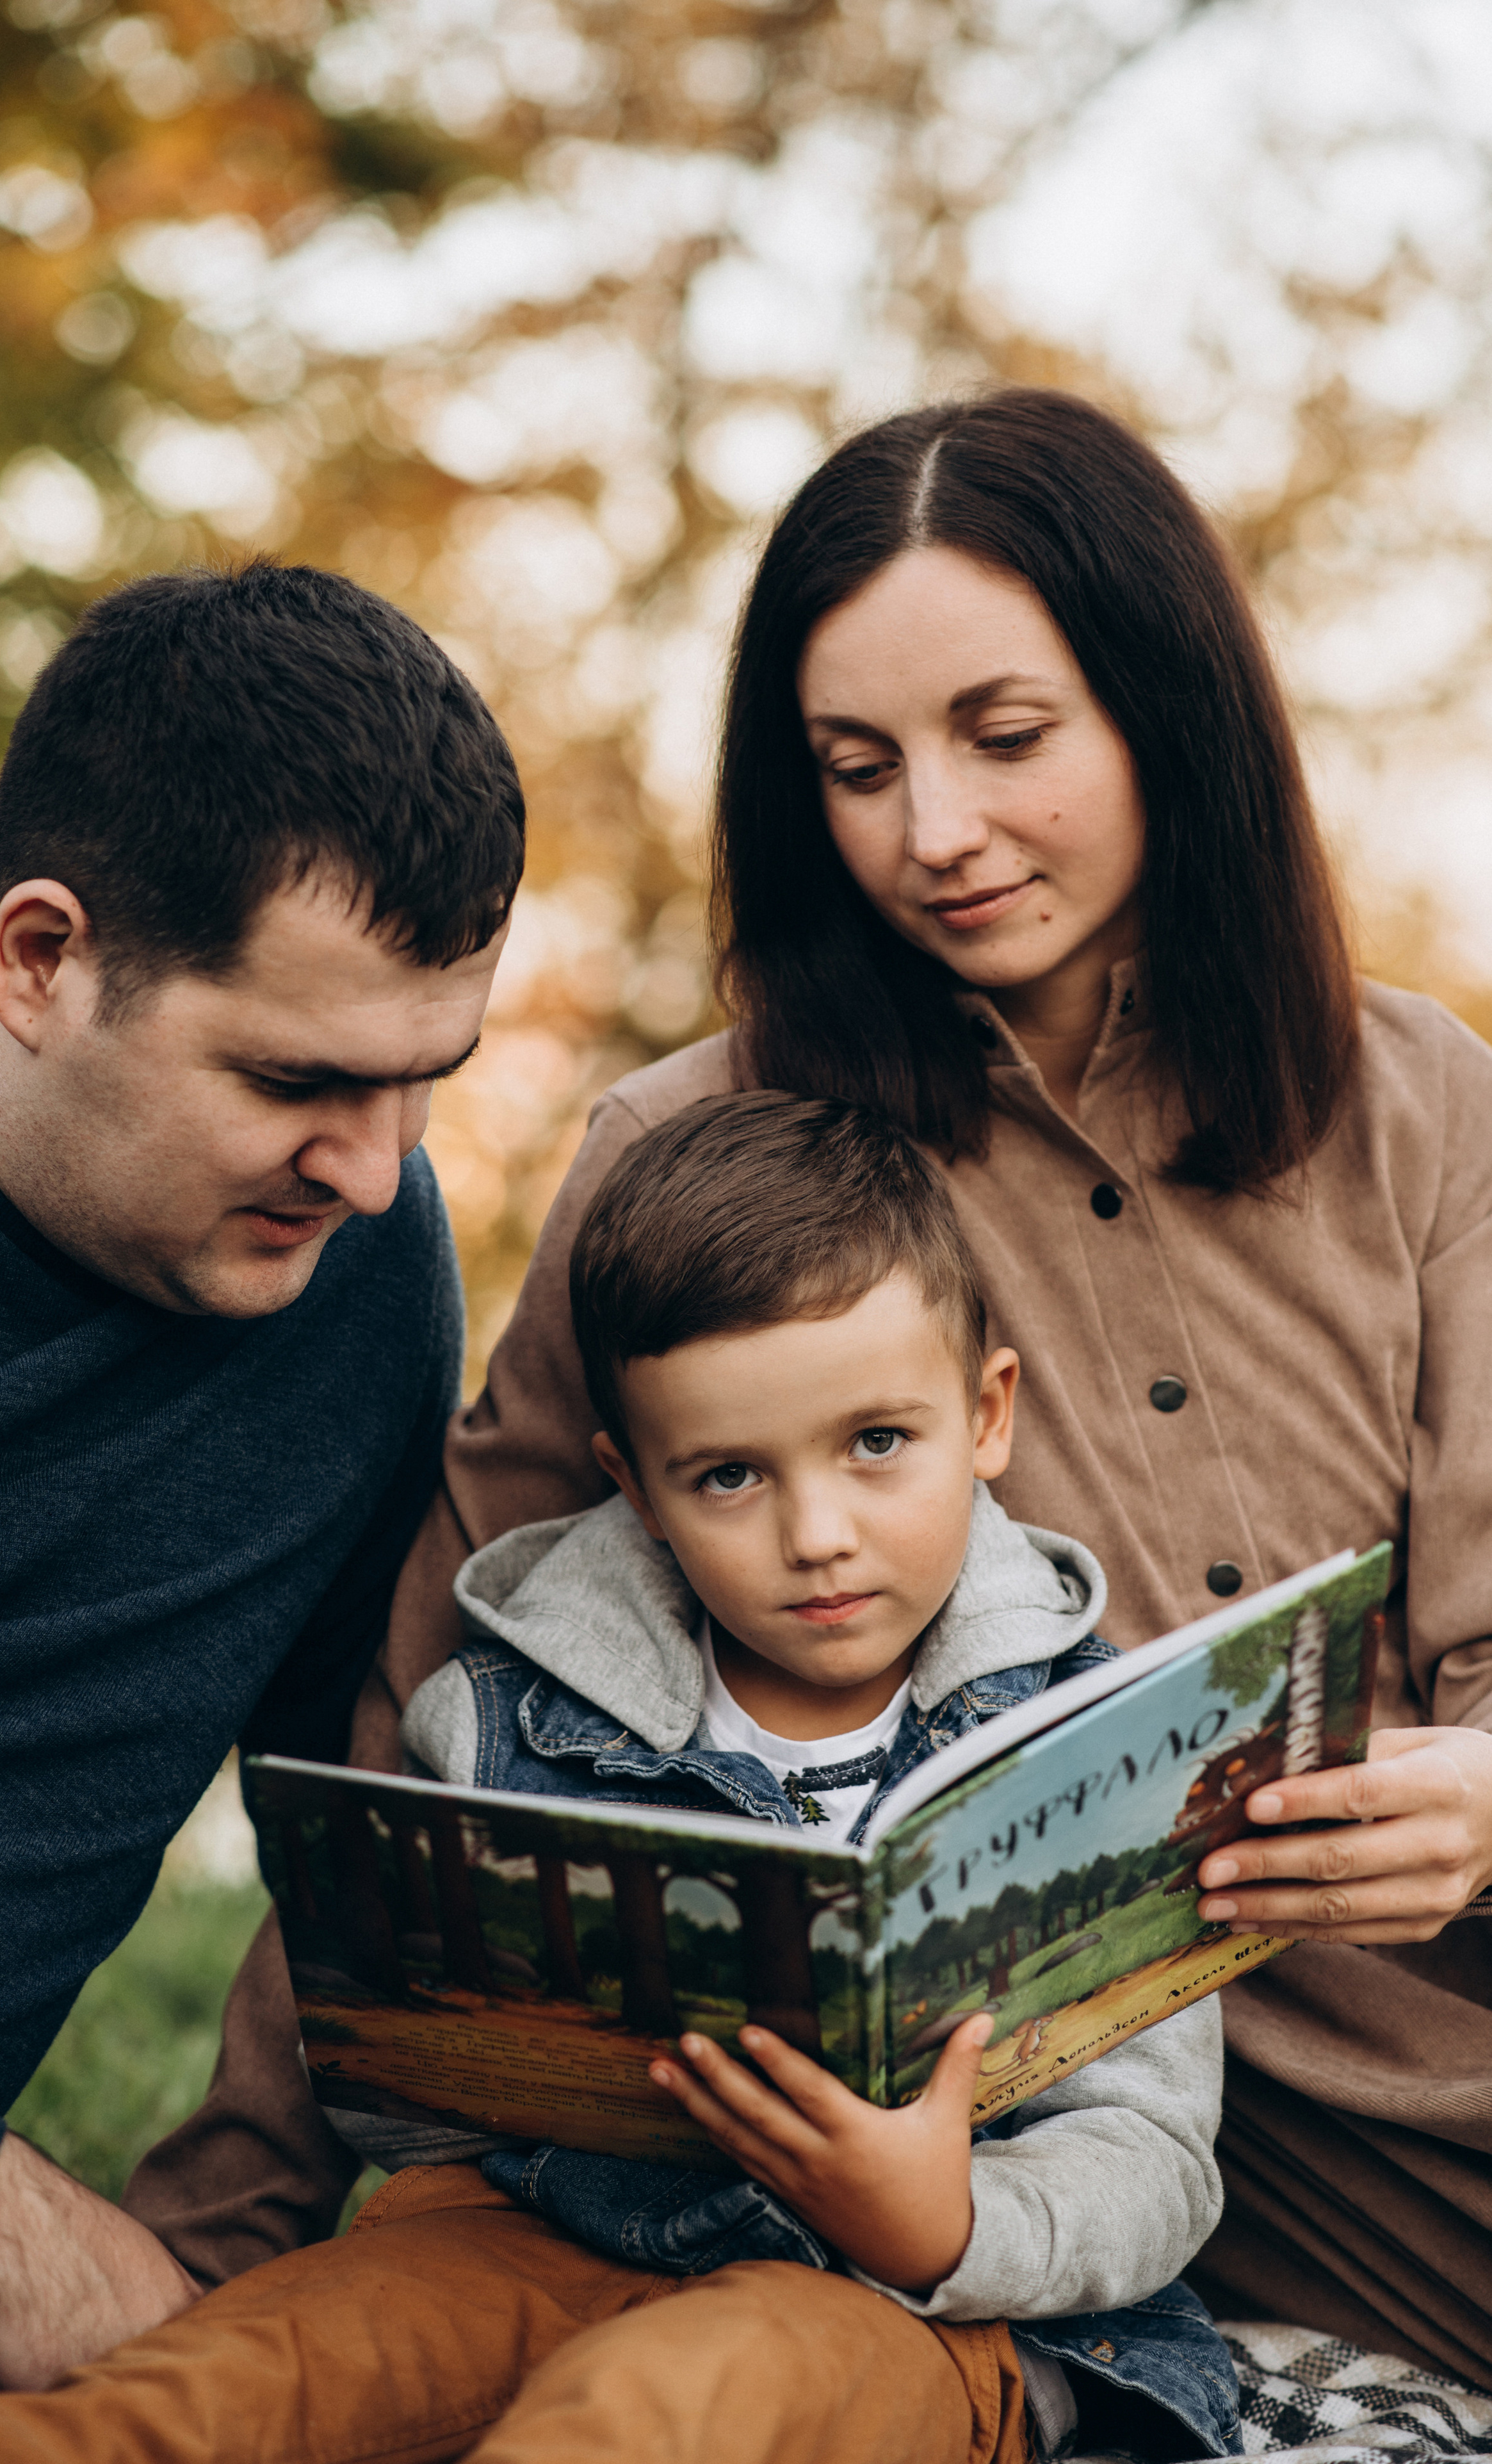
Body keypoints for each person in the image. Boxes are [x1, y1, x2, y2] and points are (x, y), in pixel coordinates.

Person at [133, 389, 1492, 2392]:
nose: (933, 833)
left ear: (1168, 713)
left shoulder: (1422, 1102)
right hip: (1046, 2140)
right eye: (857, 767)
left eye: (1005, 739)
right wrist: (216, 2233)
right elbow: (431, 1751)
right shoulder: (696, 1157)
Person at [0, 1091, 1240, 2464]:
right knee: (239, 2374)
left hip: (914, 2309)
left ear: (985, 1414)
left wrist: (943, 2225)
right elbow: (389, 2094)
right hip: (536, 2231)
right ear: (631, 1487)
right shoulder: (505, 1722)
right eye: (727, 1477)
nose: (817, 1534)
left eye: (877, 1443)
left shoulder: (1101, 1738)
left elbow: (1156, 2153)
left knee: (674, 2403)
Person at [0, 559, 522, 2388]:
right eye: (297, 1076)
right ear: (43, 960)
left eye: (423, 1085)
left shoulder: (359, 1274)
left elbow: (346, 1828)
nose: (375, 1170)